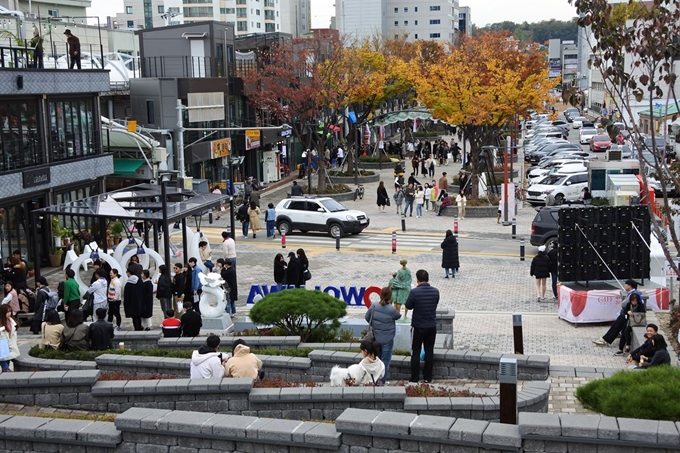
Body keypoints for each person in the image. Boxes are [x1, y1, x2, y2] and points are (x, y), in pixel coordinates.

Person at [405, 270, 440, 383]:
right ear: (428, 279)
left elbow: (408, 306)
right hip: (431, 325)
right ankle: (427, 377)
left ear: (417, 280)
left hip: (418, 326)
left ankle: (414, 378)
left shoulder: (415, 292)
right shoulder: (435, 291)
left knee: (416, 351)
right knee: (429, 351)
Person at [365, 287, 401, 384]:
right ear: (390, 296)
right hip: (388, 339)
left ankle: (375, 380)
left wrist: (375, 325)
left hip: (376, 338)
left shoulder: (374, 306)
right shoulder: (391, 309)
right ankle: (381, 382)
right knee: (385, 362)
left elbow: (367, 317)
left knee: (377, 360)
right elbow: (398, 316)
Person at [593, 279, 644, 347]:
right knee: (615, 326)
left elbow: (624, 304)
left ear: (630, 286)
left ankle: (605, 340)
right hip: (626, 314)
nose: (625, 286)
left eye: (626, 284)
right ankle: (604, 339)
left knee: (616, 326)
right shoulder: (633, 293)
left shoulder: (634, 294)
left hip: (630, 315)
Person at [123, 267, 143, 331]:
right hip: (139, 301)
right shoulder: (139, 280)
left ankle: (137, 328)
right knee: (138, 316)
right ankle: (139, 327)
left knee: (134, 317)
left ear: (129, 273)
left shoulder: (128, 284)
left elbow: (126, 296)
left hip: (131, 303)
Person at [0, 305, 19, 371]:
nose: (9, 314)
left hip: (10, 342)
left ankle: (5, 371)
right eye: (7, 312)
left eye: (10, 312)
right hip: (2, 343)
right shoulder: (1, 322)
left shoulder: (11, 321)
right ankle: (6, 369)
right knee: (3, 357)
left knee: (7, 357)